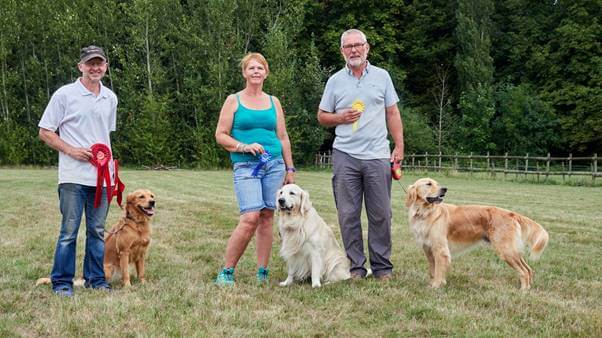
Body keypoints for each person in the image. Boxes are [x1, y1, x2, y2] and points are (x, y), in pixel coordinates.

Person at [317, 29, 404, 281]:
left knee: (381, 214)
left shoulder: (382, 76)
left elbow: (392, 113)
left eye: (358, 45)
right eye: (348, 46)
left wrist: (398, 146)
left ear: (367, 48)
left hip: (377, 154)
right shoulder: (334, 81)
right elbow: (322, 116)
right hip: (345, 154)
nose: (353, 50)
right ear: (342, 51)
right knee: (347, 214)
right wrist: (339, 117)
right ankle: (356, 267)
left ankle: (382, 268)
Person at [38, 45, 117, 296]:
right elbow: (45, 131)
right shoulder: (64, 95)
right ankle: (62, 282)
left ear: (105, 66)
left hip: (102, 178)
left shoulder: (110, 98)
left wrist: (111, 171)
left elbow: (105, 137)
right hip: (72, 176)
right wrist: (71, 150)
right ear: (80, 66)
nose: (95, 67)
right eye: (89, 63)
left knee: (97, 231)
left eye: (99, 63)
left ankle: (96, 280)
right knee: (69, 232)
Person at [215, 52, 296, 286]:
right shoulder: (234, 100)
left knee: (267, 217)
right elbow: (220, 135)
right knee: (250, 217)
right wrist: (243, 146)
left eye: (260, 68)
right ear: (244, 73)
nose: (256, 71)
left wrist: (289, 168)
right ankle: (226, 271)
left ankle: (263, 271)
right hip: (246, 166)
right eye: (251, 68)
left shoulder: (274, 102)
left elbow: (282, 136)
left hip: (274, 165)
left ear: (266, 73)